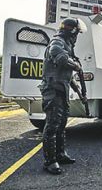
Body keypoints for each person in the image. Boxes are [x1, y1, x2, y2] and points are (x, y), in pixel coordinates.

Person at [40, 17, 86, 174]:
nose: (77, 37)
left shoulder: (67, 45)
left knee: (61, 124)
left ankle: (60, 154)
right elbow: (59, 57)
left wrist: (79, 92)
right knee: (52, 125)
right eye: (76, 33)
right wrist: (76, 65)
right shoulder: (58, 41)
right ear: (71, 32)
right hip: (52, 89)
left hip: (61, 89)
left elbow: (68, 75)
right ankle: (50, 161)